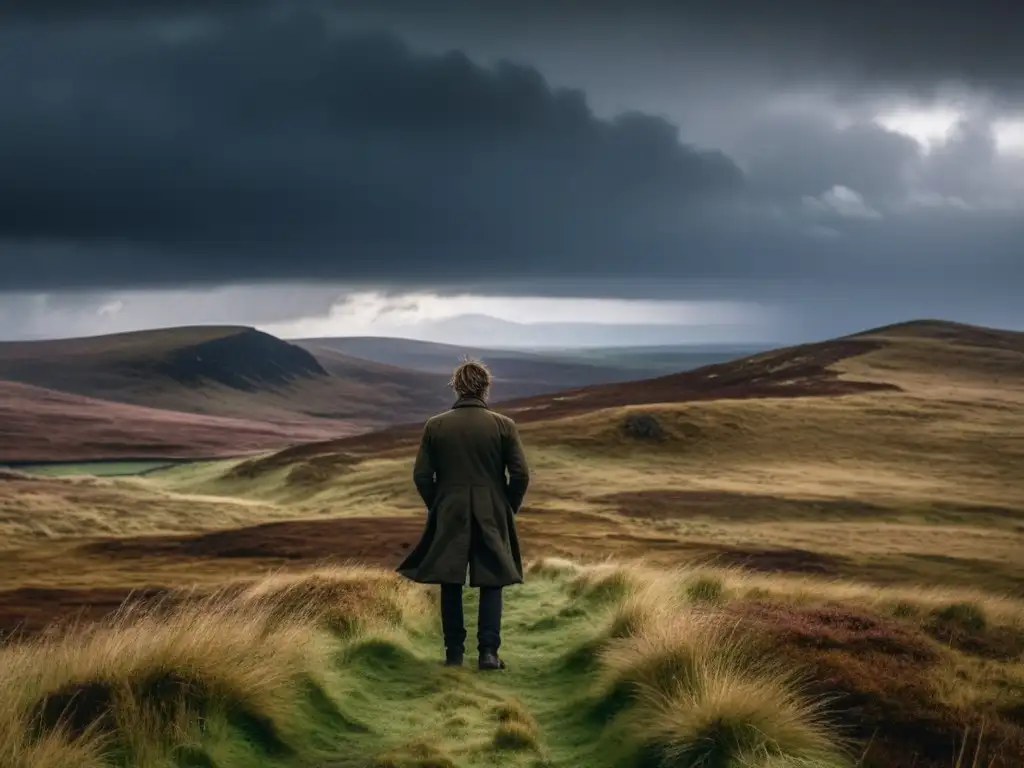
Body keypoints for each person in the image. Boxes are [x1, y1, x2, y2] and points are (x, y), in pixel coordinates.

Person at [396, 358, 530, 671]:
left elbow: (421, 476)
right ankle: (488, 653)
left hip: (449, 509)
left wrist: (439, 505)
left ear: (456, 387)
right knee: (492, 580)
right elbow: (521, 475)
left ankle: (453, 654)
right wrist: (507, 506)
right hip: (492, 509)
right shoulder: (503, 425)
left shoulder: (435, 425)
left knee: (450, 580)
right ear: (486, 387)